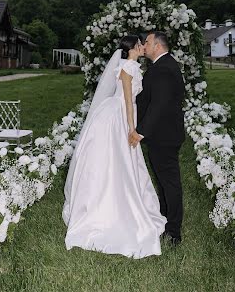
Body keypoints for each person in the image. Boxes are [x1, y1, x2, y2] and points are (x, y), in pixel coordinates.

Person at [62, 35, 166, 258]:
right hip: (117, 117)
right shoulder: (128, 67)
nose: (142, 47)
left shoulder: (132, 66)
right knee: (114, 160)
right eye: (139, 45)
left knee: (122, 162)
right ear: (131, 49)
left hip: (121, 113)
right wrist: (131, 129)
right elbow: (127, 100)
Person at [129, 31, 185, 245]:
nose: (145, 45)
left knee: (170, 183)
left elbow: (159, 105)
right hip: (164, 134)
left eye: (148, 42)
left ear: (158, 46)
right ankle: (165, 217)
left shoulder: (163, 69)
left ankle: (173, 231)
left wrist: (140, 131)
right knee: (164, 181)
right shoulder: (164, 65)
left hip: (164, 135)